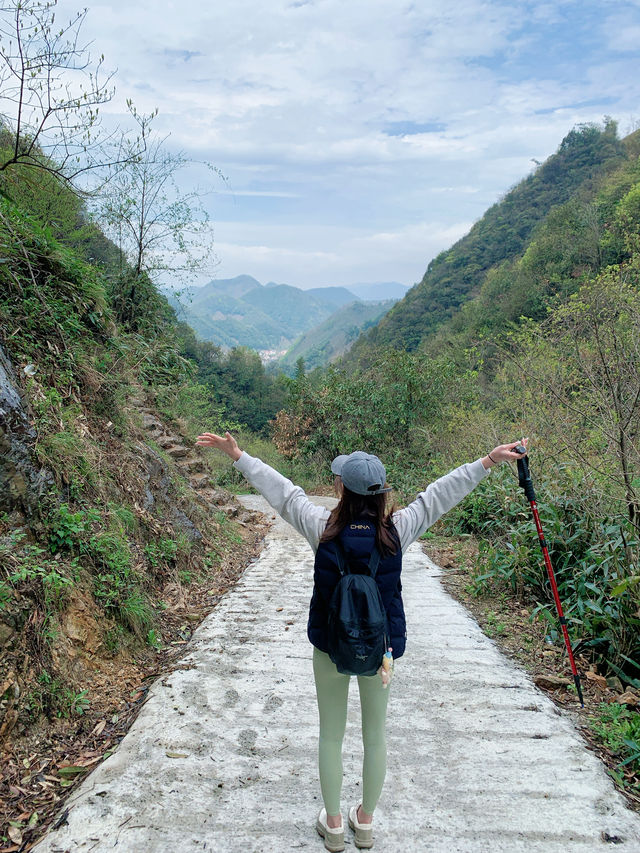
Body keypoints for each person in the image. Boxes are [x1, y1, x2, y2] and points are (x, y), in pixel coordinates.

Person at [195, 431, 527, 851]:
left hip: (330, 647)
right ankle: (364, 823)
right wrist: (489, 460)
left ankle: (333, 825)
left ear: (341, 489)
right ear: (382, 493)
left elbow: (283, 493)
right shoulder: (398, 530)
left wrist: (239, 456)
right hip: (381, 650)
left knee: (331, 734)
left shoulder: (321, 528)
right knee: (376, 735)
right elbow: (441, 494)